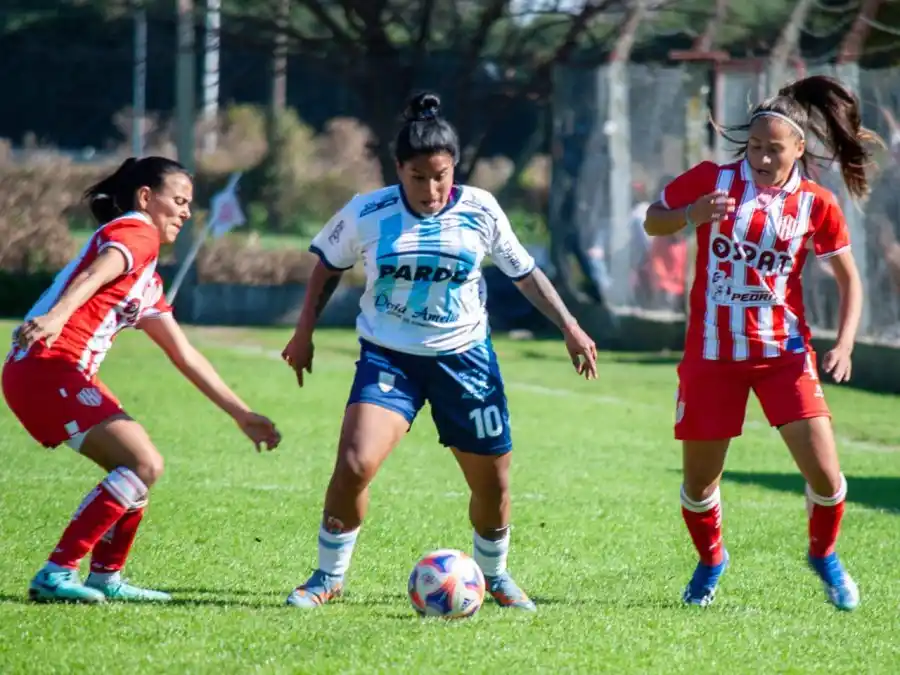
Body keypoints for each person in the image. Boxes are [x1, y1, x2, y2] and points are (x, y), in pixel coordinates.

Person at [281, 92, 598, 612]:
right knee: (356, 463)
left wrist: (570, 325)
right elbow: (327, 267)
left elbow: (524, 273)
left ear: (454, 168)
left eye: (442, 176)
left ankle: (494, 576)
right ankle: (327, 576)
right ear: (398, 169)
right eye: (418, 177)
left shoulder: (480, 209)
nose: (431, 189)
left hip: (466, 360)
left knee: (493, 481)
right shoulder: (368, 212)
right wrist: (303, 332)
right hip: (390, 358)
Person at [643, 75, 876, 611]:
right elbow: (655, 221)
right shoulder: (712, 179)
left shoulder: (816, 204)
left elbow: (849, 280)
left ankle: (824, 555)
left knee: (827, 475)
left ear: (800, 148)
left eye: (775, 149)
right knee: (700, 486)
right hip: (712, 356)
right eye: (755, 147)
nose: (764, 158)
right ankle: (711, 561)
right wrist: (689, 216)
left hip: (783, 358)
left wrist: (844, 344)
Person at [3, 156, 282, 604]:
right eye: (179, 200)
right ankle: (57, 571)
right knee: (144, 464)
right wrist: (56, 317)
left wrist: (241, 414)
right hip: (48, 365)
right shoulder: (138, 230)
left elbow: (184, 354)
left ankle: (105, 577)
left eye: (191, 203)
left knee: (136, 465)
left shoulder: (146, 279)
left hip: (46, 371)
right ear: (146, 198)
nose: (187, 211)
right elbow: (99, 272)